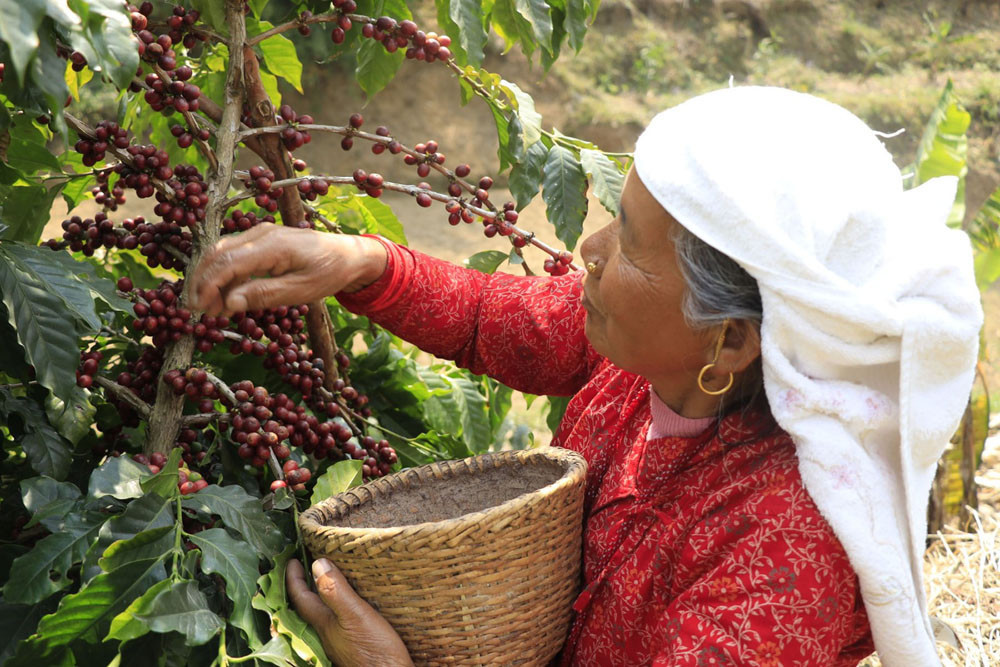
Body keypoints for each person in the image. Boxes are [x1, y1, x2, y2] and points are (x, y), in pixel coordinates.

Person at [190, 86, 982, 666]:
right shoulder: (650, 359)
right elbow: (499, 322)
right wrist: (361, 262)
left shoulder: (783, 551)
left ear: (732, 339)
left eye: (631, 243)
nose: (588, 250)